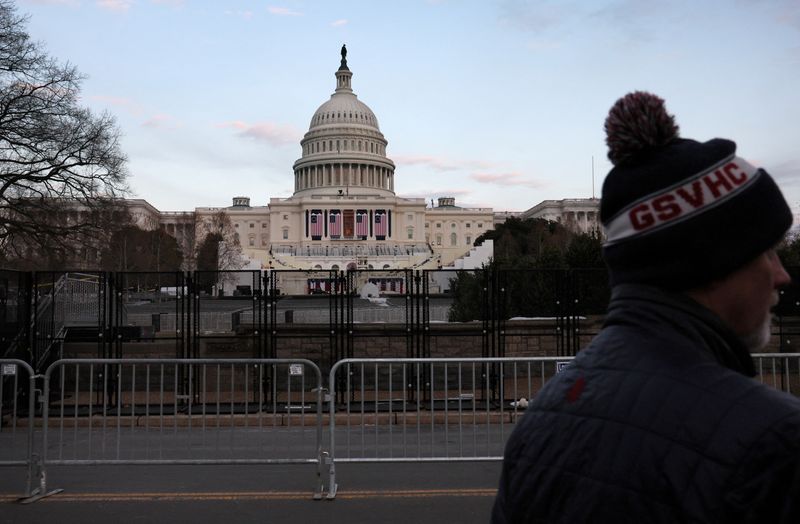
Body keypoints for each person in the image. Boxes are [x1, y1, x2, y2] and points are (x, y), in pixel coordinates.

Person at [492, 91, 800, 523]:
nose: (781, 274)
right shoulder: (775, 441)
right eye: (767, 251)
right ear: (714, 259)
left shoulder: (541, 416)